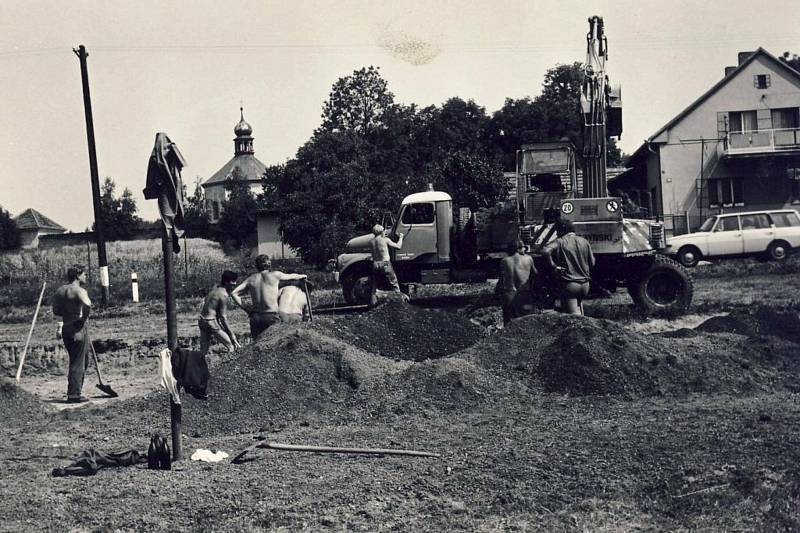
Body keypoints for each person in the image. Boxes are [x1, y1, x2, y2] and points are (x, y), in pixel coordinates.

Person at [230, 255, 307, 339]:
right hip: (270, 316)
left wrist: (246, 308)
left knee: (256, 345)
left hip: (256, 317)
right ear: (268, 265)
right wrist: (302, 276)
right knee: (273, 345)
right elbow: (292, 276)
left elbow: (234, 293)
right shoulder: (275, 275)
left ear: (257, 266)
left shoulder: (251, 279)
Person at [52, 265, 92, 403]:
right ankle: (74, 395)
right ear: (77, 275)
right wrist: (82, 319)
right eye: (84, 274)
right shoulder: (79, 290)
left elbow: (56, 311)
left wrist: (69, 313)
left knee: (79, 360)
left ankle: (75, 391)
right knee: (78, 362)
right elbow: (88, 305)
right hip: (77, 328)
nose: (86, 276)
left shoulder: (60, 291)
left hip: (66, 327)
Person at [542, 218, 595, 315]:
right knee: (579, 311)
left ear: (562, 230)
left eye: (557, 231)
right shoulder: (584, 241)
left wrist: (554, 266)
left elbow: (545, 251)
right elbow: (592, 263)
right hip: (585, 284)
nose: (557, 234)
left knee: (573, 317)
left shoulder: (561, 241)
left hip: (570, 284)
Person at [198, 270, 241, 355]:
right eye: (233, 281)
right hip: (210, 322)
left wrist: (221, 328)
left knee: (203, 351)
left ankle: (199, 367)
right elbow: (223, 318)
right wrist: (232, 336)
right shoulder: (223, 294)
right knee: (231, 346)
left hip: (202, 321)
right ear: (226, 281)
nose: (235, 283)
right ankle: (229, 367)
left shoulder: (214, 290)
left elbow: (214, 313)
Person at [499, 240, 538, 325]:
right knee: (526, 321)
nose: (525, 250)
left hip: (509, 294)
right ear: (518, 249)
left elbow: (502, 279)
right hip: (524, 294)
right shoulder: (529, 258)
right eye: (524, 248)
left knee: (509, 324)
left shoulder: (504, 261)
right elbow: (535, 273)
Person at [369, 224, 406, 306]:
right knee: (394, 283)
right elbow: (398, 246)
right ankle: (400, 303)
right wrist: (401, 237)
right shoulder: (385, 240)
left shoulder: (371, 242)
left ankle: (373, 304)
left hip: (375, 264)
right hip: (385, 263)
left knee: (374, 287)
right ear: (381, 231)